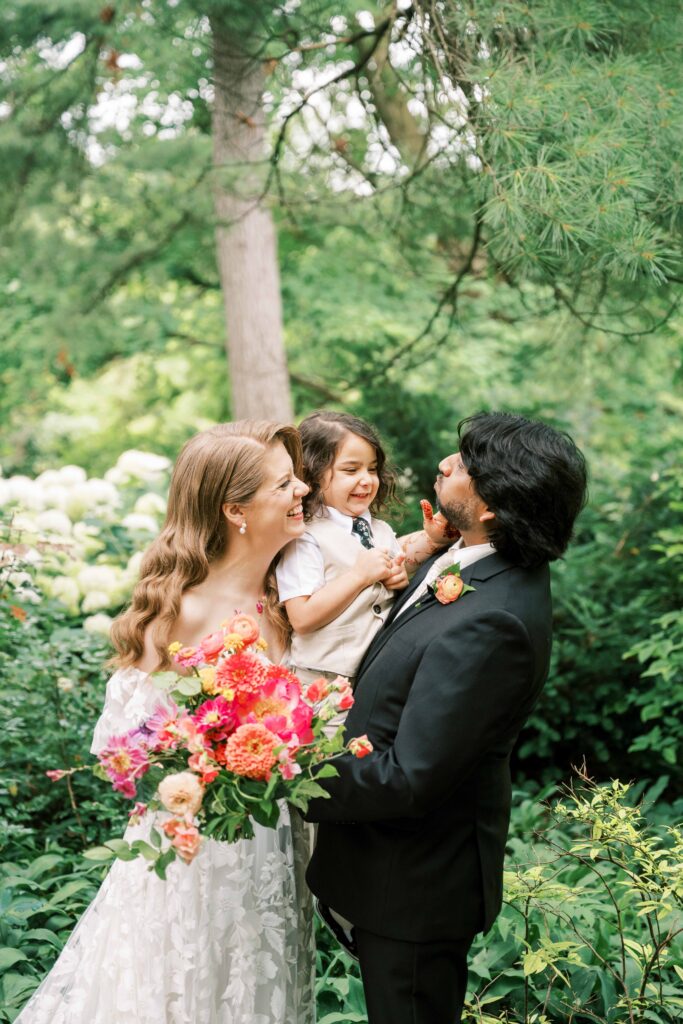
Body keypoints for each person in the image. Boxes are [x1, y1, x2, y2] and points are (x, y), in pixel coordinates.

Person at [16, 421, 314, 1024]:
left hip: (274, 847)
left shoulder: (296, 596)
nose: (304, 488)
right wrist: (208, 758)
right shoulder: (183, 610)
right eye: (284, 483)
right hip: (193, 853)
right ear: (236, 510)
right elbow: (121, 746)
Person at [304, 411, 588, 1024]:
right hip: (386, 870)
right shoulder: (476, 560)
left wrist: (285, 774)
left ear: (490, 506)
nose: (445, 465)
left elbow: (409, 776)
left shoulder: (496, 621)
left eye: (463, 464)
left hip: (414, 888)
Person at [276, 410, 454, 689]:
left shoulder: (379, 530)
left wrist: (397, 579)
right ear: (312, 474)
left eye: (372, 469)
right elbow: (302, 618)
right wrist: (359, 576)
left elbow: (387, 581)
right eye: (350, 470)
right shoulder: (305, 537)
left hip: (374, 678)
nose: (366, 479)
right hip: (321, 685)